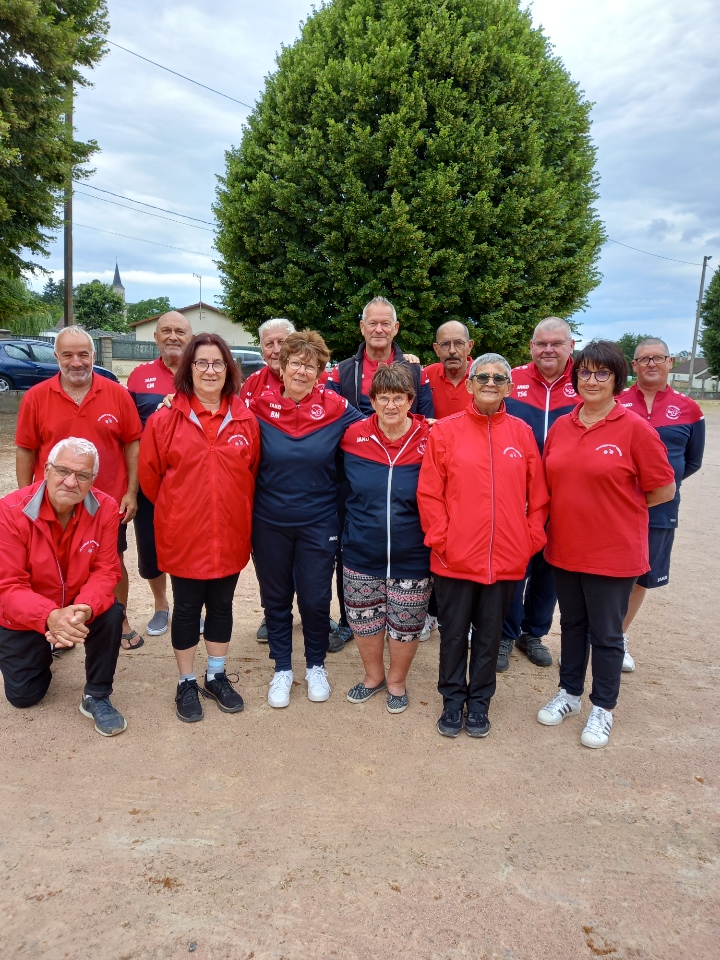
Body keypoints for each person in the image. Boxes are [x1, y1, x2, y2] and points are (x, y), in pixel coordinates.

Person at [538, 340, 675, 749]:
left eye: (603, 373)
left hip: (612, 553)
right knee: (572, 625)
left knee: (607, 634)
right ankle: (570, 694)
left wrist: (617, 509)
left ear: (617, 379)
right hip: (565, 547)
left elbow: (663, 490)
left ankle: (603, 707)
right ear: (575, 376)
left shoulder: (634, 428)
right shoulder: (563, 425)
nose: (592, 380)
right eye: (585, 372)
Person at [417, 354, 549, 739]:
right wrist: (441, 539)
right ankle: (452, 700)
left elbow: (538, 496)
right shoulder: (444, 432)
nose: (490, 382)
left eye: (499, 378)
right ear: (470, 385)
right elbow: (429, 494)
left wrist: (530, 538)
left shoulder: (522, 433)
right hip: (454, 558)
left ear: (509, 387)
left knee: (490, 638)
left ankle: (479, 705)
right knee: (454, 635)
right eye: (483, 377)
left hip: (505, 560)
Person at [139, 334, 260, 722]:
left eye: (218, 363)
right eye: (201, 363)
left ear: (229, 370)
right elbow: (151, 479)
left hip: (229, 533)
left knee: (222, 606)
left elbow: (251, 473)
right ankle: (186, 680)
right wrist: (183, 509)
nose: (210, 370)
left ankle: (216, 674)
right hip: (184, 534)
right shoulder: (164, 419)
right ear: (189, 369)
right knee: (188, 608)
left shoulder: (245, 419)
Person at [249, 330, 363, 709]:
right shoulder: (257, 405)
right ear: (281, 367)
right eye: (294, 362)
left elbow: (373, 432)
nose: (301, 370)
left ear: (320, 372)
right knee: (276, 598)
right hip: (269, 520)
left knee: (315, 600)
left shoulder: (336, 407)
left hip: (319, 520)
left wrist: (423, 426)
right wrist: (172, 399)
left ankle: (316, 665)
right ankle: (282, 668)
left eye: (310, 365)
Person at [15, 326, 144, 650]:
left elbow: (133, 443)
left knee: (112, 562)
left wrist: (130, 492)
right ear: (57, 356)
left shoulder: (116, 393)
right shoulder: (36, 397)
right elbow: (26, 449)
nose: (76, 362)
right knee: (51, 567)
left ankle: (120, 617)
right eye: (68, 355)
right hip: (54, 502)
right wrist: (26, 498)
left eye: (83, 354)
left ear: (94, 356)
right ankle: (59, 625)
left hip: (105, 504)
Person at [326, 296, 434, 650]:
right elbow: (328, 416)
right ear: (362, 327)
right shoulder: (342, 371)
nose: (378, 328)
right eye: (372, 322)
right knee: (354, 545)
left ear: (396, 328)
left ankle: (410, 615)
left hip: (405, 464)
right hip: (355, 471)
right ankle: (350, 618)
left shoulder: (416, 371)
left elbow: (431, 421)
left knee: (406, 535)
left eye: (385, 322)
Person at [0, 437, 127, 737]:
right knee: (24, 697)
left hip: (76, 606)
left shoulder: (106, 509)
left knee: (111, 613)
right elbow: (8, 586)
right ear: (45, 470)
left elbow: (106, 570)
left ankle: (96, 694)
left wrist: (83, 609)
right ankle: (47, 647)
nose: (71, 482)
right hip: (29, 612)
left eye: (82, 475)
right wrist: (50, 617)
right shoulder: (10, 510)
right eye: (62, 471)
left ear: (92, 480)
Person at [341, 365, 431, 714]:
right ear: (372, 401)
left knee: (406, 624)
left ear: (411, 400)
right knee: (364, 619)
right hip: (362, 548)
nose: (390, 405)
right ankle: (372, 677)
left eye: (398, 398)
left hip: (413, 552)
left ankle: (396, 681)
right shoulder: (351, 435)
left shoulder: (431, 436)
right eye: (382, 398)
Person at [619, 338, 705, 670]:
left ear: (670, 362)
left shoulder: (689, 409)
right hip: (617, 506)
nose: (651, 364)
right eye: (643, 359)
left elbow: (693, 461)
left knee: (643, 575)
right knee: (611, 573)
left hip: (661, 510)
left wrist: (661, 486)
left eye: (658, 358)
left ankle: (619, 636)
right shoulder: (617, 401)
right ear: (634, 365)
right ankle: (600, 635)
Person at [499, 317, 578, 672]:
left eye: (556, 343)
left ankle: (533, 632)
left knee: (550, 567)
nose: (548, 349)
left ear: (570, 346)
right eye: (541, 343)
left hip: (566, 495)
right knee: (515, 564)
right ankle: (504, 632)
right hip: (516, 491)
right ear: (531, 347)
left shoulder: (586, 381)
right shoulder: (510, 379)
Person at [127, 311, 193, 637]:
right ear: (155, 337)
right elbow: (128, 436)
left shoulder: (202, 374)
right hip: (150, 482)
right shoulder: (139, 377)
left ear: (190, 337)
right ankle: (160, 605)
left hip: (190, 483)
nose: (172, 336)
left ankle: (187, 607)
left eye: (179, 331)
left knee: (189, 546)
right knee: (151, 547)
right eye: (165, 331)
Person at [423, 321, 475, 419]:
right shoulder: (426, 376)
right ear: (436, 349)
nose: (452, 351)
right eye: (445, 344)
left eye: (459, 343)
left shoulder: (484, 377)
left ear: (470, 346)